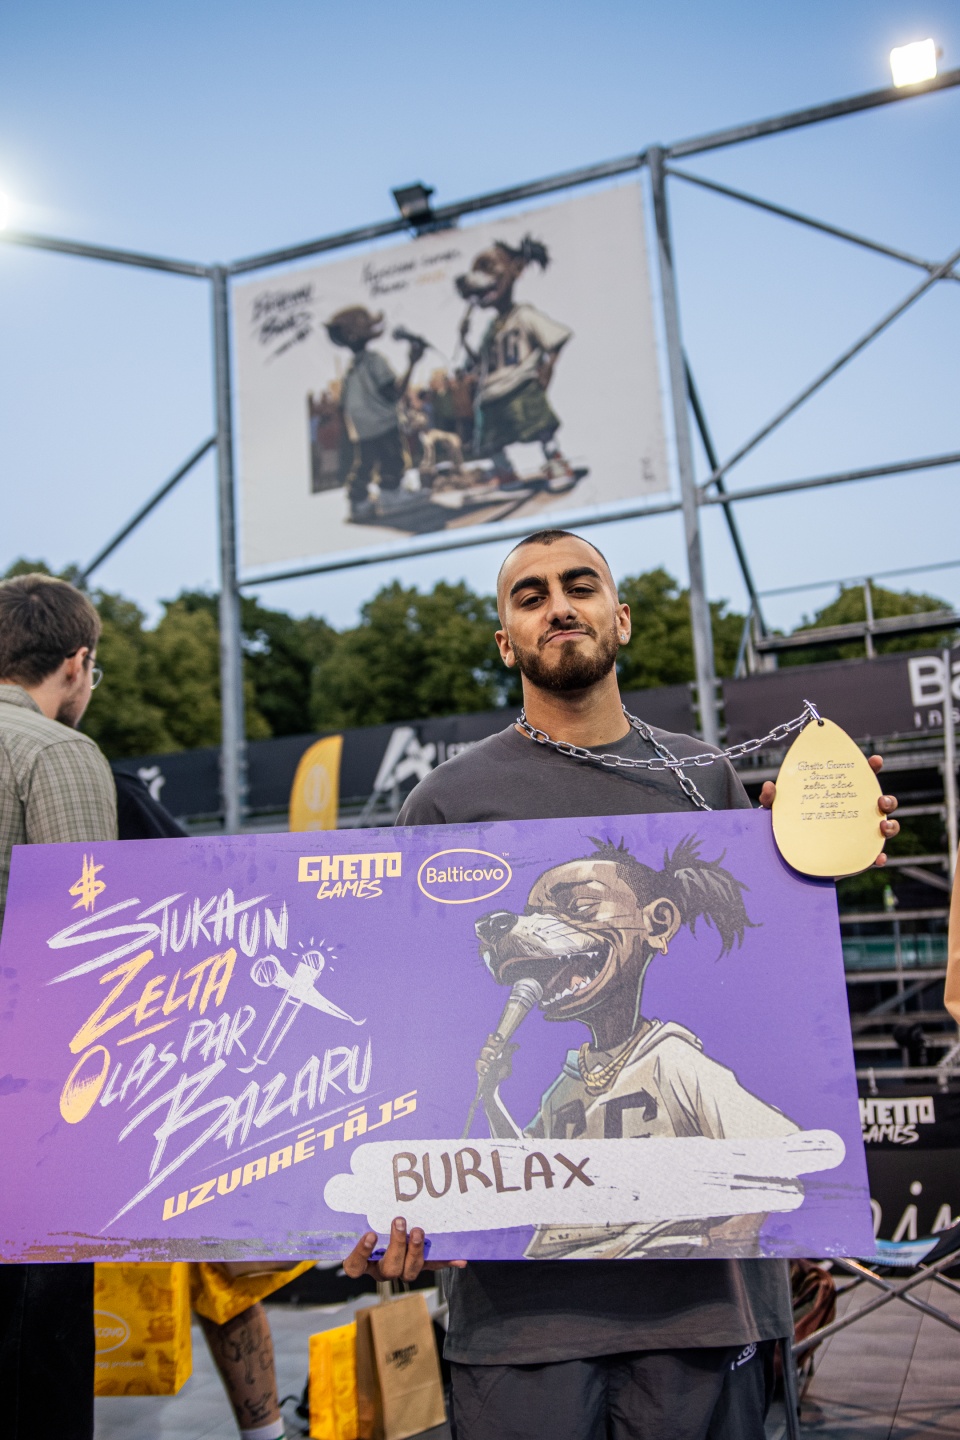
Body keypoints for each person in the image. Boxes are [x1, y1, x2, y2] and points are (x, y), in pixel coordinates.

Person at [343, 529, 900, 1440]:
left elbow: (764, 992)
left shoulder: (704, 778)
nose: (558, 606)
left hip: (706, 1312)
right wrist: (390, 1199)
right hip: (519, 1319)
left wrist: (817, 849)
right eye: (530, 596)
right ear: (506, 642)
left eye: (580, 585)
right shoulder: (444, 803)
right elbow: (411, 1028)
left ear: (622, 618)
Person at [0, 572, 118, 1440]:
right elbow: (89, 954)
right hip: (28, 1112)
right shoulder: (53, 751)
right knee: (34, 1366)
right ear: (75, 663)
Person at [324, 305, 425, 521]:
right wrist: (412, 363)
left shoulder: (352, 368)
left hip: (361, 428)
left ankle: (358, 502)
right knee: (392, 459)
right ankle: (391, 495)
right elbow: (393, 393)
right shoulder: (374, 360)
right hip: (383, 423)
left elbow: (343, 403)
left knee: (364, 464)